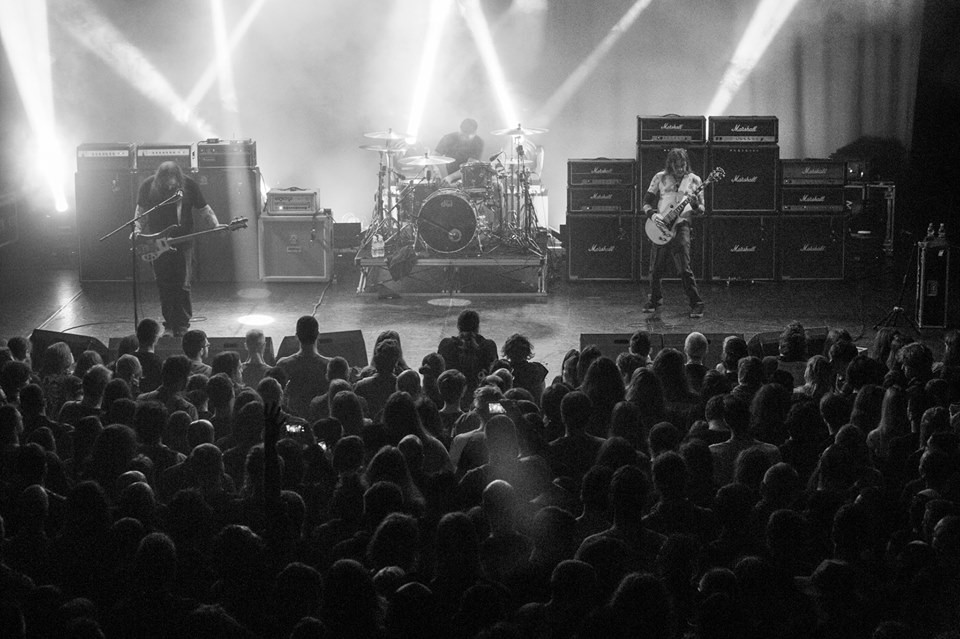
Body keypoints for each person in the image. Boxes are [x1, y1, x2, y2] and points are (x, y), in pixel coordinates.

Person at [134, 161, 223, 337]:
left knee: (183, 284)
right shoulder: (148, 186)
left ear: (178, 178)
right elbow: (141, 212)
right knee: (163, 283)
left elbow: (204, 208)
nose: (169, 185)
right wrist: (137, 230)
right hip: (158, 242)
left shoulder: (189, 185)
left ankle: (182, 324)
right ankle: (169, 323)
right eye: (165, 182)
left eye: (172, 182)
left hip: (184, 242)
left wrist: (215, 224)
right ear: (159, 179)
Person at [641, 148, 705, 318]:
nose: (680, 169)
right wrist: (653, 216)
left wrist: (695, 204)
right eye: (677, 166)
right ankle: (654, 299)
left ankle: (697, 303)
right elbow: (646, 202)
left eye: (683, 165)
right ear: (670, 165)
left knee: (684, 268)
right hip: (661, 225)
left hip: (682, 225)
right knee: (655, 268)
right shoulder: (659, 177)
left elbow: (702, 210)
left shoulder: (695, 180)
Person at [436, 118, 484, 185]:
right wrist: (437, 171)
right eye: (462, 135)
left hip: (467, 179)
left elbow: (469, 166)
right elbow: (435, 156)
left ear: (475, 133)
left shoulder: (478, 142)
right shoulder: (448, 138)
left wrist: (450, 177)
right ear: (460, 129)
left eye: (467, 137)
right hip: (447, 176)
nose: (464, 138)